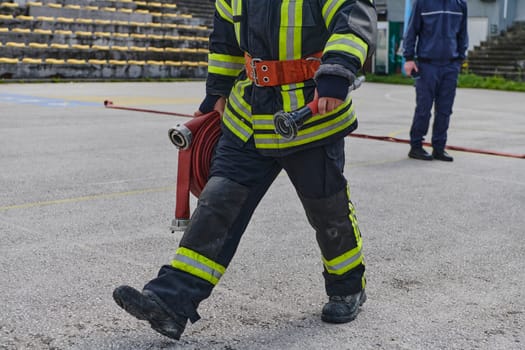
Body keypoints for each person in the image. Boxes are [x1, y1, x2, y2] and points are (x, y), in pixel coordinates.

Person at [112, 0, 377, 341]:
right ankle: (171, 301)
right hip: (247, 118)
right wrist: (216, 92)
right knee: (217, 204)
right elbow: (224, 41)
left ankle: (348, 288)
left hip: (308, 118)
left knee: (328, 212)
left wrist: (338, 70)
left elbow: (353, 20)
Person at [403, 0, 468, 161]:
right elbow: (411, 31)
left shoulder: (460, 4)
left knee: (445, 110)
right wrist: (409, 58)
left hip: (450, 65)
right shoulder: (422, 3)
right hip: (427, 65)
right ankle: (416, 147)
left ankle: (439, 148)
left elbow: (463, 33)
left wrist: (460, 58)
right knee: (424, 109)